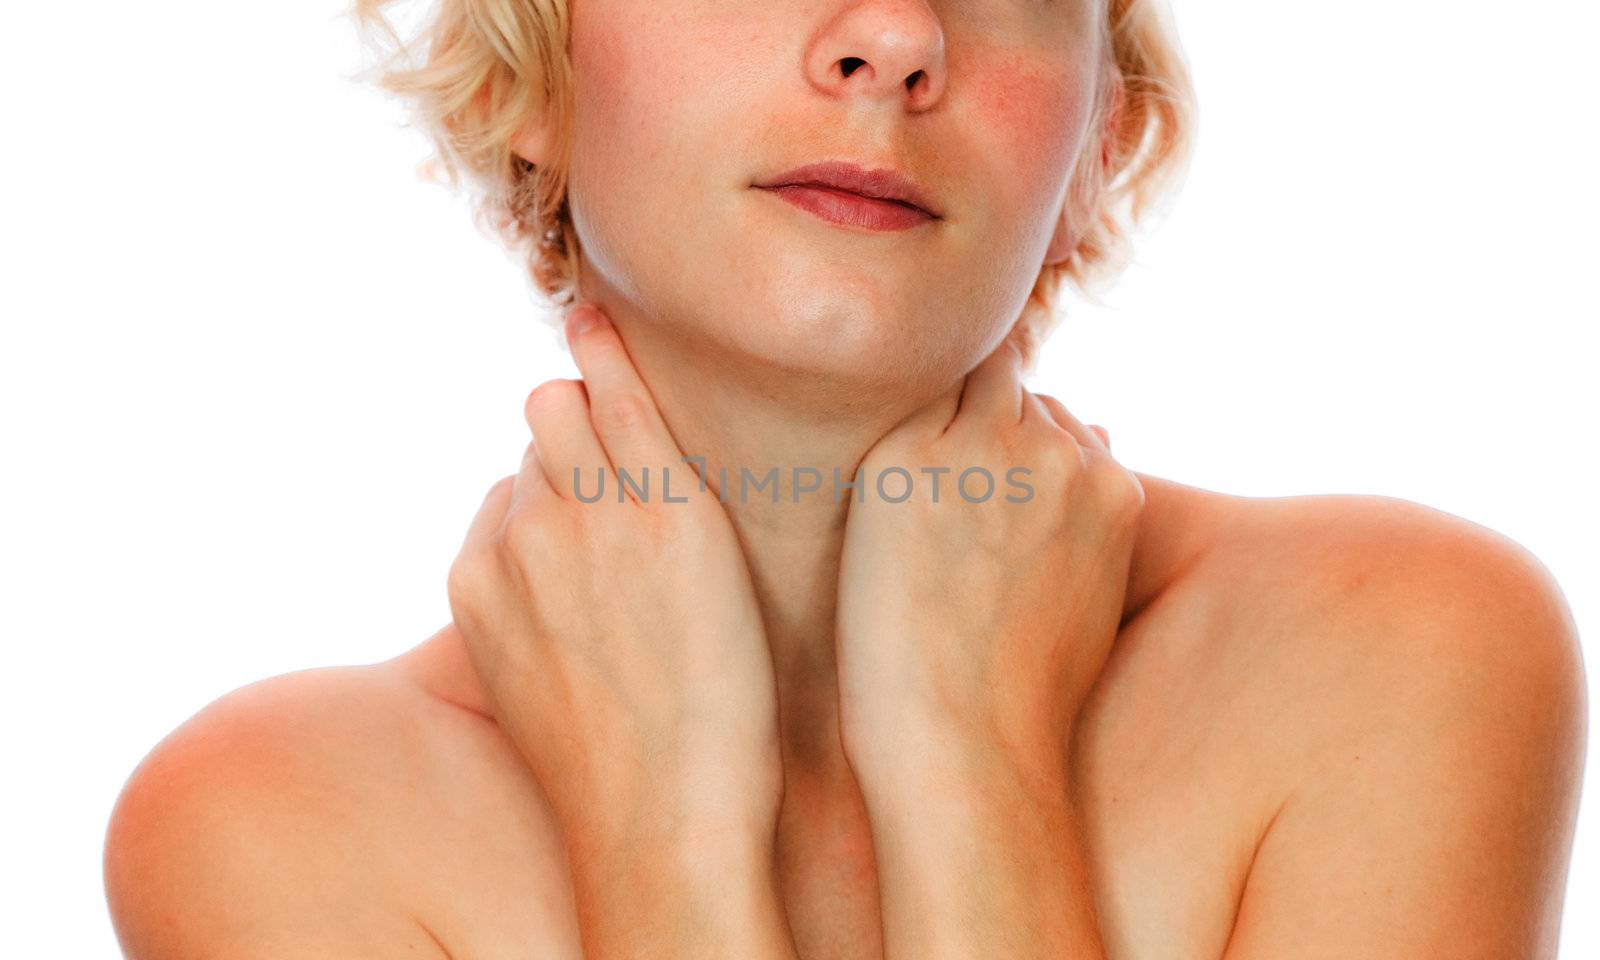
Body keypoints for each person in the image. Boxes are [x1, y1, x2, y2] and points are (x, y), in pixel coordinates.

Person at [102, 1, 1587, 957]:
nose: (891, 37)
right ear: (531, 72)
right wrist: (660, 816)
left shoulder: (1395, 650)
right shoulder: (269, 824)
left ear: (1097, 147)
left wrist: (972, 755)